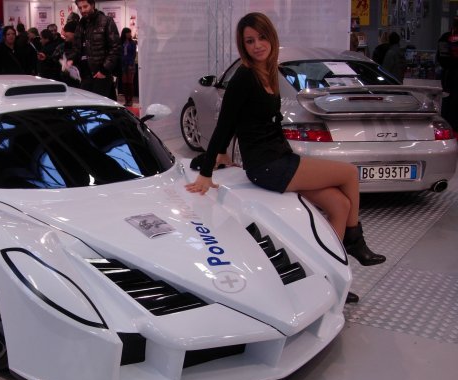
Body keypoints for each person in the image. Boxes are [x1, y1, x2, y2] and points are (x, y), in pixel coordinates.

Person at [185, 12, 385, 303]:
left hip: (280, 157)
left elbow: (253, 120)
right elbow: (225, 123)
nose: (257, 45)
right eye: (249, 41)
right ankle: (354, 241)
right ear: (242, 45)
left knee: (340, 205)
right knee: (349, 173)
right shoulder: (244, 76)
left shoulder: (268, 71)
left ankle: (331, 280)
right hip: (267, 165)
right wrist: (206, 173)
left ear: (271, 37)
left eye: (261, 38)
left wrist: (225, 154)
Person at [69, 0, 121, 99]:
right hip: (84, 75)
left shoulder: (106, 21)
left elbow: (115, 48)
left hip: (100, 74)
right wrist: (71, 60)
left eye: (85, 6)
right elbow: (77, 48)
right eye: (80, 8)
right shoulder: (80, 25)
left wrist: (104, 70)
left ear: (92, 5)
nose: (82, 10)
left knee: (99, 105)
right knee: (86, 105)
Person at [437, 16, 458, 131]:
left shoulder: (445, 37)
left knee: (447, 99)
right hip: (451, 73)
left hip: (448, 74)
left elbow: (441, 57)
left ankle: (447, 127)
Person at [119, 27, 136, 106]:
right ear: (124, 33)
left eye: (130, 32)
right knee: (124, 83)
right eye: (127, 33)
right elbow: (119, 53)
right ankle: (126, 100)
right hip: (123, 64)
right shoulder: (120, 42)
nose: (129, 34)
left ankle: (130, 100)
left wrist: (130, 64)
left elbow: (133, 54)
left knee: (130, 83)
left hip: (130, 64)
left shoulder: (132, 43)